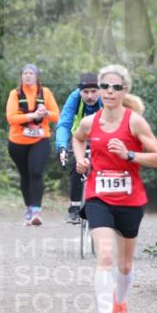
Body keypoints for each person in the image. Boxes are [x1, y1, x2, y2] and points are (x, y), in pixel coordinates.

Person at [72, 64, 157, 313]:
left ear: (125, 91)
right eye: (104, 87)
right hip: (99, 196)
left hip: (130, 199)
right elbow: (78, 138)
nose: (109, 92)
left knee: (124, 265)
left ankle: (120, 302)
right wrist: (81, 160)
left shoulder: (134, 122)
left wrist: (130, 154)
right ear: (99, 90)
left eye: (115, 87)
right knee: (105, 258)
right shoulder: (90, 122)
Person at [5, 64, 60, 225]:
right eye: (25, 73)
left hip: (40, 140)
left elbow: (56, 116)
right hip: (17, 141)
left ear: (37, 77)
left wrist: (45, 113)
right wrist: (32, 116)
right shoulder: (15, 94)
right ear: (21, 76)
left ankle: (36, 211)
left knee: (36, 172)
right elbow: (12, 118)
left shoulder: (45, 93)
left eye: (31, 73)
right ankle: (29, 209)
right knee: (25, 175)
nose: (28, 76)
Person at [55, 72, 102, 224]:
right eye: (85, 92)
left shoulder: (106, 99)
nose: (89, 96)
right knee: (78, 164)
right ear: (80, 91)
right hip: (80, 138)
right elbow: (64, 123)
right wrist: (61, 146)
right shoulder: (74, 98)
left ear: (100, 90)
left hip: (101, 137)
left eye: (94, 91)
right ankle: (74, 207)